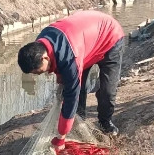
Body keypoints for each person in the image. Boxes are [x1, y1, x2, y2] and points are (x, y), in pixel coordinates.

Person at [17, 10, 124, 140]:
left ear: (45, 58)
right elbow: (58, 63)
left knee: (107, 90)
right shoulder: (39, 46)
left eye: (38, 71)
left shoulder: (69, 57)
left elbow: (72, 94)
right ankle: (80, 122)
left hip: (110, 37)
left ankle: (105, 122)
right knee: (77, 88)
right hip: (84, 45)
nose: (38, 74)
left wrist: (61, 136)